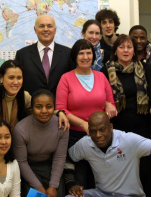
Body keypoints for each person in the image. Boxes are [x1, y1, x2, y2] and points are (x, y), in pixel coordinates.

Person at [56, 39, 116, 188]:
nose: (85, 57)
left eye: (88, 53)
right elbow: (61, 108)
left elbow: (112, 106)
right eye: (81, 53)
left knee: (100, 182)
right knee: (80, 182)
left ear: (93, 55)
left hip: (100, 138)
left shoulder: (101, 76)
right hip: (74, 137)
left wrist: (104, 119)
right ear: (75, 57)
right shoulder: (66, 78)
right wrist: (83, 124)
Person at [0, 60, 69, 152]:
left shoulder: (24, 96)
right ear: (1, 78)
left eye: (19, 78)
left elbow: (39, 111)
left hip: (16, 149)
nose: (16, 82)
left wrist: (59, 112)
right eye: (11, 77)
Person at [101, 34, 151, 196]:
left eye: (129, 47)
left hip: (143, 127)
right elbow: (101, 96)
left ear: (134, 50)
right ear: (115, 50)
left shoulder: (144, 68)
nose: (126, 50)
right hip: (118, 129)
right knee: (122, 171)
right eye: (122, 47)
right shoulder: (106, 70)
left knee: (145, 171)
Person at [66, 112, 151, 197]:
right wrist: (71, 183)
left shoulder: (129, 141)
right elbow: (68, 158)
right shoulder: (85, 144)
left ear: (111, 127)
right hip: (100, 193)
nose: (98, 135)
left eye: (102, 129)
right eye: (93, 131)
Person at [12, 89, 69, 197]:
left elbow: (59, 158)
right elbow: (22, 162)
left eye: (49, 106)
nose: (44, 111)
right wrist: (40, 188)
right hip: (28, 168)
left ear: (54, 108)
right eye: (39, 106)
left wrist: (53, 186)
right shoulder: (20, 129)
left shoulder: (62, 126)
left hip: (51, 166)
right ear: (32, 108)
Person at [15, 14, 72, 96]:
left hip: (59, 106)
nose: (46, 29)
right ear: (35, 29)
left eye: (49, 26)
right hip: (30, 106)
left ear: (55, 30)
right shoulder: (22, 55)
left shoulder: (68, 53)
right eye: (41, 26)